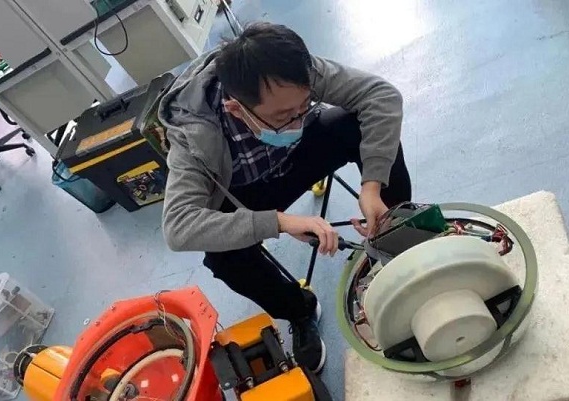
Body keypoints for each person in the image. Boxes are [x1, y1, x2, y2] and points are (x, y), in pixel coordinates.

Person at [158, 22, 411, 373]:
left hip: (299, 158)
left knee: (357, 127)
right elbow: (178, 227)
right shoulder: (193, 132)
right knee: (225, 259)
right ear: (236, 108)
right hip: (247, 192)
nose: (297, 119)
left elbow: (381, 96)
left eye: (305, 105)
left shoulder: (290, 73)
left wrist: (372, 185)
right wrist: (278, 222)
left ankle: (398, 234)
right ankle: (300, 310)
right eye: (282, 116)